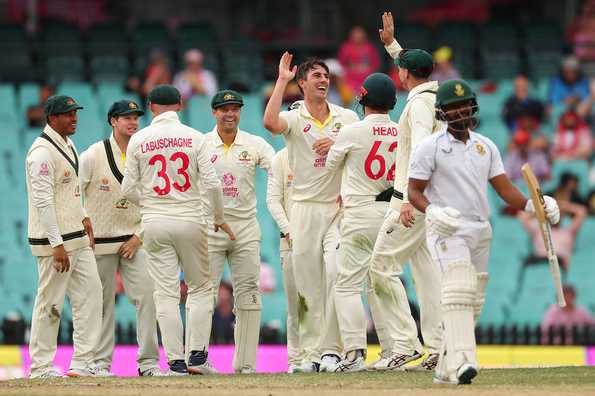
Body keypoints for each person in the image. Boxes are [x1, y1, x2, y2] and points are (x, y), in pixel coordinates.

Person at [407, 78, 560, 384]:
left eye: (464, 105)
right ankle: (464, 360)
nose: (461, 111)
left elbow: (505, 190)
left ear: (473, 106)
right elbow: (414, 191)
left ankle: (445, 367)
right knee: (459, 290)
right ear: (442, 113)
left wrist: (534, 206)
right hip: (448, 228)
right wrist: (433, 211)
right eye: (453, 107)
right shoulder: (430, 147)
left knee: (473, 299)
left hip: (480, 229)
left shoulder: (485, 146)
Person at [121, 85, 235, 375]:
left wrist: (149, 204)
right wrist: (218, 216)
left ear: (150, 106)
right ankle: (197, 357)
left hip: (155, 222)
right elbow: (212, 184)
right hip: (191, 219)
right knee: (199, 288)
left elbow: (127, 189)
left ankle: (175, 362)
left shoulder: (139, 139)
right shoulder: (195, 138)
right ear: (180, 105)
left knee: (165, 293)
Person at [263, 54, 359, 372]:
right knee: (306, 287)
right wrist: (281, 80)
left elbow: (361, 142)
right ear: (301, 83)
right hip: (303, 210)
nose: (323, 80)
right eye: (315, 75)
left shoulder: (346, 119)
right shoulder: (294, 118)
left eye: (326, 75)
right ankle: (309, 356)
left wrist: (338, 140)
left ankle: (332, 351)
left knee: (335, 275)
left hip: (337, 209)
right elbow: (269, 123)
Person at [367, 11, 445, 372]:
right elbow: (410, 64)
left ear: (405, 76)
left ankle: (404, 345)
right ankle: (440, 347)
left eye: (401, 68)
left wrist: (410, 201)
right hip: (431, 202)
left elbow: (423, 152)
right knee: (426, 272)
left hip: (411, 201)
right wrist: (391, 46)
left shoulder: (416, 104)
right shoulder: (435, 97)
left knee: (381, 267)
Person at [79, 100, 161, 377]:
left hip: (134, 239)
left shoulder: (145, 153)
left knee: (148, 297)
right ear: (113, 121)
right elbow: (73, 194)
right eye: (126, 117)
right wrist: (84, 224)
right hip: (99, 239)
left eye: (136, 117)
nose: (132, 122)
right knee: (101, 303)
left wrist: (140, 236)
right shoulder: (92, 154)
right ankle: (100, 364)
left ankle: (148, 363)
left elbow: (155, 200)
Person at [324, 73, 400, 372]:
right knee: (381, 283)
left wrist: (335, 145)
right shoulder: (400, 131)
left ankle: (354, 352)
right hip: (391, 213)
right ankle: (394, 350)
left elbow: (331, 166)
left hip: (360, 214)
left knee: (346, 286)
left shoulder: (352, 131)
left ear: (363, 99)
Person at [25, 95, 103, 378]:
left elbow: (71, 189)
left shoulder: (67, 144)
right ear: (52, 118)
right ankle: (41, 367)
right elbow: (43, 201)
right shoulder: (41, 153)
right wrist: (56, 244)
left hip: (77, 237)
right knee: (51, 303)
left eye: (75, 113)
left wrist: (84, 215)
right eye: (67, 114)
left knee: (91, 296)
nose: (74, 118)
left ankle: (83, 362)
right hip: (54, 243)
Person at [203, 90, 275, 374]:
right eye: (224, 109)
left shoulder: (254, 144)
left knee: (248, 295)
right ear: (214, 113)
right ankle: (197, 360)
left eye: (235, 108)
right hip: (210, 227)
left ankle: (246, 365)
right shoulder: (201, 145)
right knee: (204, 295)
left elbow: (278, 167)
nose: (230, 113)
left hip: (245, 227)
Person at [266, 147, 303, 373]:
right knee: (295, 304)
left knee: (325, 298)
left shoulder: (322, 153)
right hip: (289, 240)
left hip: (319, 238)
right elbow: (272, 200)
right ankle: (296, 360)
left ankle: (329, 353)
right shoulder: (280, 158)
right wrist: (289, 230)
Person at [518, 200, 587, 270]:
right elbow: (522, 215)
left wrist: (561, 207)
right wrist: (541, 210)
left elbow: (581, 211)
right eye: (551, 215)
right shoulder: (539, 231)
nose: (553, 218)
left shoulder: (569, 232)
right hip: (541, 263)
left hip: (560, 264)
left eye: (556, 215)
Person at [338, 26, 381, 95]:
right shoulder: (346, 47)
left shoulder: (369, 47)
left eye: (360, 35)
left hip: (366, 77)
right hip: (350, 78)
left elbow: (376, 64)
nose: (358, 37)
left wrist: (365, 68)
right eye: (356, 35)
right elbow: (341, 65)